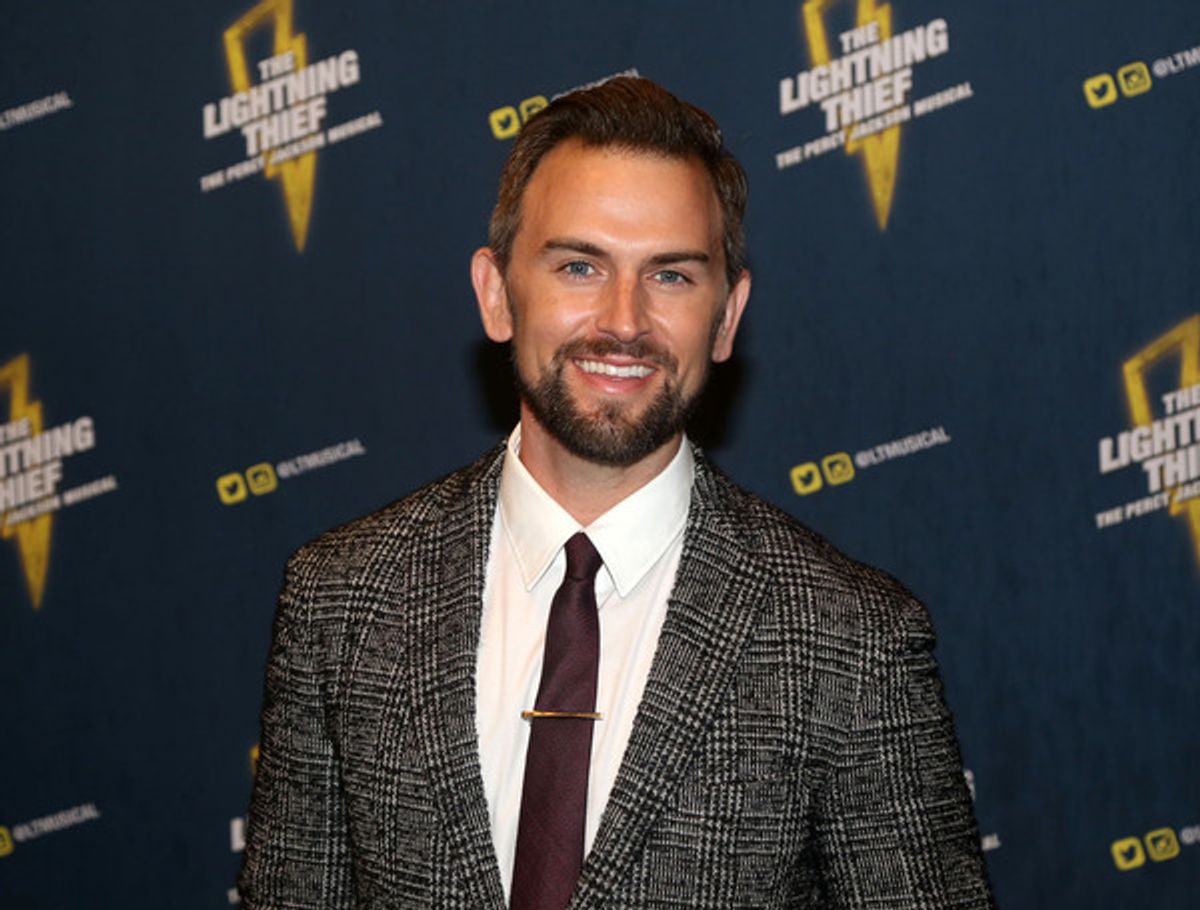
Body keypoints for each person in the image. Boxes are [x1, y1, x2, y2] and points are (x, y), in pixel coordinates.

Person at [239, 76, 995, 909]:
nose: (623, 321)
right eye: (578, 266)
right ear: (496, 295)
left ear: (728, 316)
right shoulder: (340, 600)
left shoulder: (854, 641)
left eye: (670, 276)